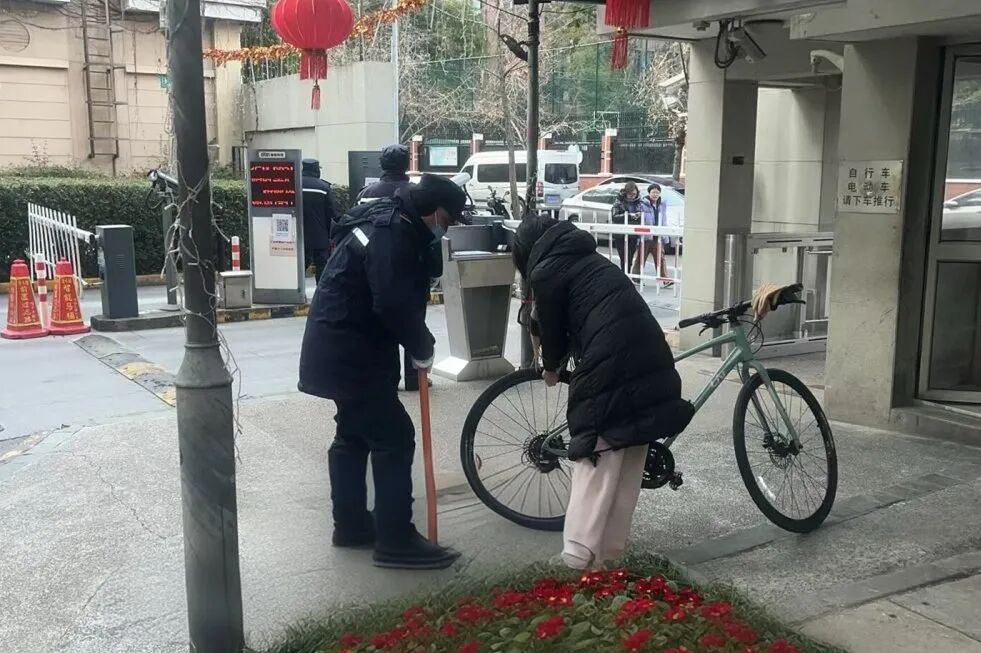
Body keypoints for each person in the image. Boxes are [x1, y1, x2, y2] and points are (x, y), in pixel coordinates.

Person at [298, 173, 467, 570]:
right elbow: (391, 303)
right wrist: (421, 345)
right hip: (352, 352)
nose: (446, 229)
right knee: (394, 437)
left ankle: (352, 525)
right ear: (434, 211)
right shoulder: (392, 233)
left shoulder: (387, 219)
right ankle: (395, 540)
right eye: (447, 220)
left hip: (340, 346)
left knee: (353, 435)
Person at [512, 216, 693, 570]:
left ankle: (577, 556)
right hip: (652, 356)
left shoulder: (546, 270)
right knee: (630, 450)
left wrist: (551, 367)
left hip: (612, 363)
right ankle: (609, 553)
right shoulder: (590, 257)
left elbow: (551, 330)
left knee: (597, 453)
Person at [358, 144, 435, 392]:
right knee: (414, 321)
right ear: (407, 164)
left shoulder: (366, 193)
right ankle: (415, 377)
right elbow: (428, 235)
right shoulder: (416, 194)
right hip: (412, 270)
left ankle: (386, 379)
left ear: (382, 164)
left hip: (373, 269)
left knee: (382, 324)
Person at [301, 158, 338, 283]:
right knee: (322, 265)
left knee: (300, 264)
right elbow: (332, 212)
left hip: (298, 234)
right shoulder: (323, 187)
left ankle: (296, 290)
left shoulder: (294, 184)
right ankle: (320, 291)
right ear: (316, 169)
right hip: (319, 234)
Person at [611, 182, 653, 279]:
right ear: (626, 193)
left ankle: (626, 275)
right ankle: (624, 276)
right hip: (620, 234)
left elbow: (644, 215)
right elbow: (614, 216)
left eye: (634, 194)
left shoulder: (639, 202)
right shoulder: (619, 201)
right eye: (630, 194)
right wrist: (629, 216)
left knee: (629, 257)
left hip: (633, 233)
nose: (632, 196)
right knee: (624, 257)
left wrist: (639, 215)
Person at [633, 183, 669, 283]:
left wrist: (665, 236)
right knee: (641, 257)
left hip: (658, 235)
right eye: (653, 192)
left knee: (660, 258)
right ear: (649, 193)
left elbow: (664, 220)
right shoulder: (643, 204)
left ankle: (665, 279)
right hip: (646, 236)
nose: (655, 195)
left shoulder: (662, 204)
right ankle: (636, 278)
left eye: (657, 192)